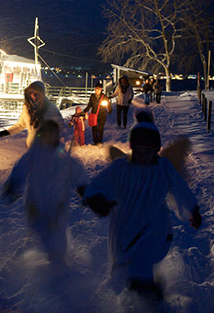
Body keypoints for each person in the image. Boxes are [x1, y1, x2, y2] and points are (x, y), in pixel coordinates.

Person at [81, 111, 201, 298]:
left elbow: (179, 188)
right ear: (132, 148)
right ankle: (135, 293)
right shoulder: (121, 166)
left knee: (143, 256)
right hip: (125, 225)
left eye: (148, 151)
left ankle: (149, 294)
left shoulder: (164, 167)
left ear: (156, 149)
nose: (143, 156)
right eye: (138, 151)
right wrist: (97, 200)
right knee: (122, 267)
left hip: (154, 224)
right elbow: (100, 184)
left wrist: (192, 210)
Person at [1, 120, 87, 263]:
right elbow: (20, 170)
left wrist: (84, 190)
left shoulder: (64, 158)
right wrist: (13, 186)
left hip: (58, 205)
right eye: (45, 132)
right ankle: (47, 259)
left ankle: (58, 265)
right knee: (40, 233)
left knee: (57, 237)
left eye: (52, 132)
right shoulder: (33, 156)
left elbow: (77, 173)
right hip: (36, 204)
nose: (48, 135)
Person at [0, 81, 64, 147]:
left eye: (37, 93)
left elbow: (60, 126)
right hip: (30, 147)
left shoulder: (50, 108)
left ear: (41, 94)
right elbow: (21, 125)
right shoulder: (27, 108)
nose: (33, 95)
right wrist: (6, 132)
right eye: (31, 92)